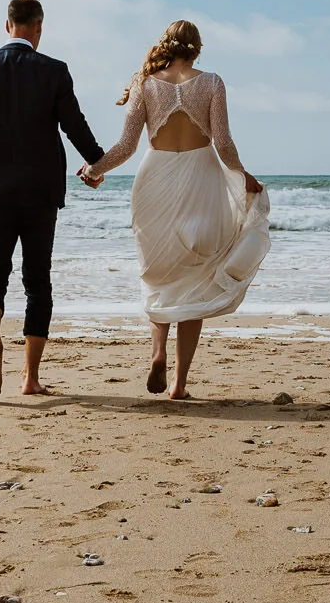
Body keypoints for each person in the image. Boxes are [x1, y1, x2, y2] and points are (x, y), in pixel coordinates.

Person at [81, 20, 270, 399]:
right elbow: (224, 144)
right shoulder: (212, 82)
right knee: (196, 279)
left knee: (158, 277)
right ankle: (179, 385)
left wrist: (94, 169)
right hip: (201, 178)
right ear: (197, 49)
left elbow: (126, 146)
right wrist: (244, 175)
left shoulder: (145, 83)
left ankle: (157, 353)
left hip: (155, 182)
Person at [0, 0, 105, 397]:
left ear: (7, 25)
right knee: (38, 281)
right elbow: (74, 125)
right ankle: (30, 377)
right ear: (39, 27)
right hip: (40, 191)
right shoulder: (54, 71)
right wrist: (97, 163)